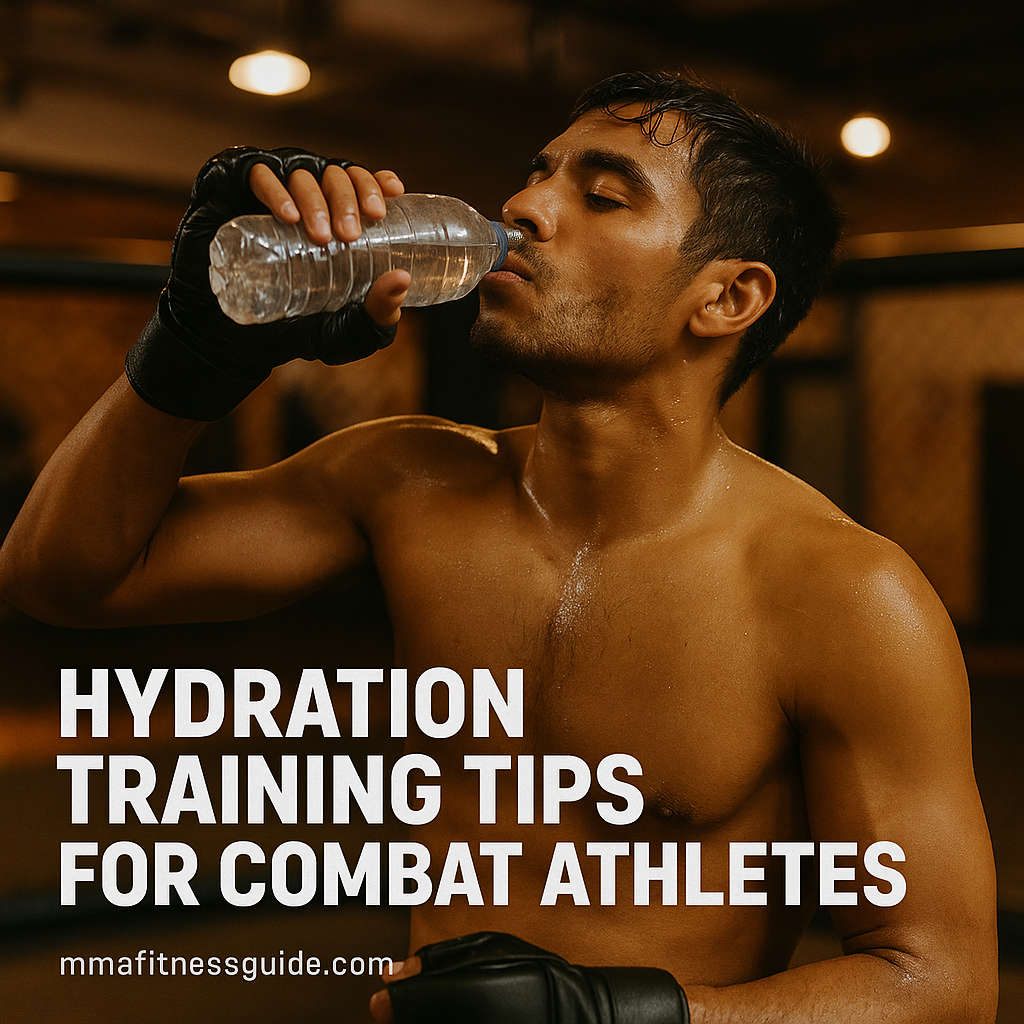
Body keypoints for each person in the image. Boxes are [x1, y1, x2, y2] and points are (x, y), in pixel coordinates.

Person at [0, 70, 998, 1023]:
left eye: (602, 196)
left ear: (727, 298)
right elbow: (65, 576)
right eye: (538, 171)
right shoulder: (406, 482)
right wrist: (191, 353)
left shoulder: (843, 592)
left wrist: (606, 1013)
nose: (523, 205)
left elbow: (940, 983)